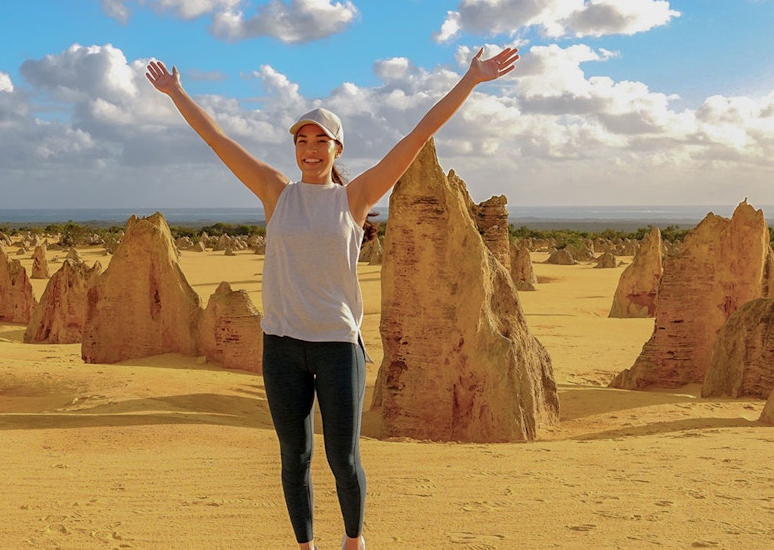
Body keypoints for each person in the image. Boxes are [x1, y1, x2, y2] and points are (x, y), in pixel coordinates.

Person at [145, 46, 519, 550]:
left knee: (343, 458)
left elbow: (417, 135)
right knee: (293, 456)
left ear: (337, 149)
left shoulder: (354, 199)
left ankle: (354, 542)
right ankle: (305, 546)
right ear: (294, 149)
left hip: (339, 347)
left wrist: (470, 80)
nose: (311, 149)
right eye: (302, 140)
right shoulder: (276, 192)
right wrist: (176, 93)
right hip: (281, 348)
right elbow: (218, 139)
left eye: (321, 140)